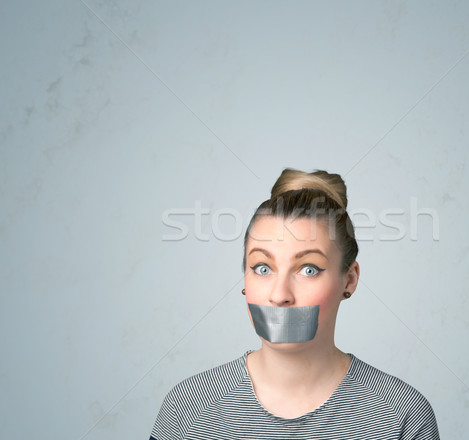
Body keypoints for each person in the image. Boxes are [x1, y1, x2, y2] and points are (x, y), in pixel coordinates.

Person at [149, 168, 440, 439]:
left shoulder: (402, 415)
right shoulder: (186, 409)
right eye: (262, 268)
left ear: (349, 280)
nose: (280, 295)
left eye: (309, 269)